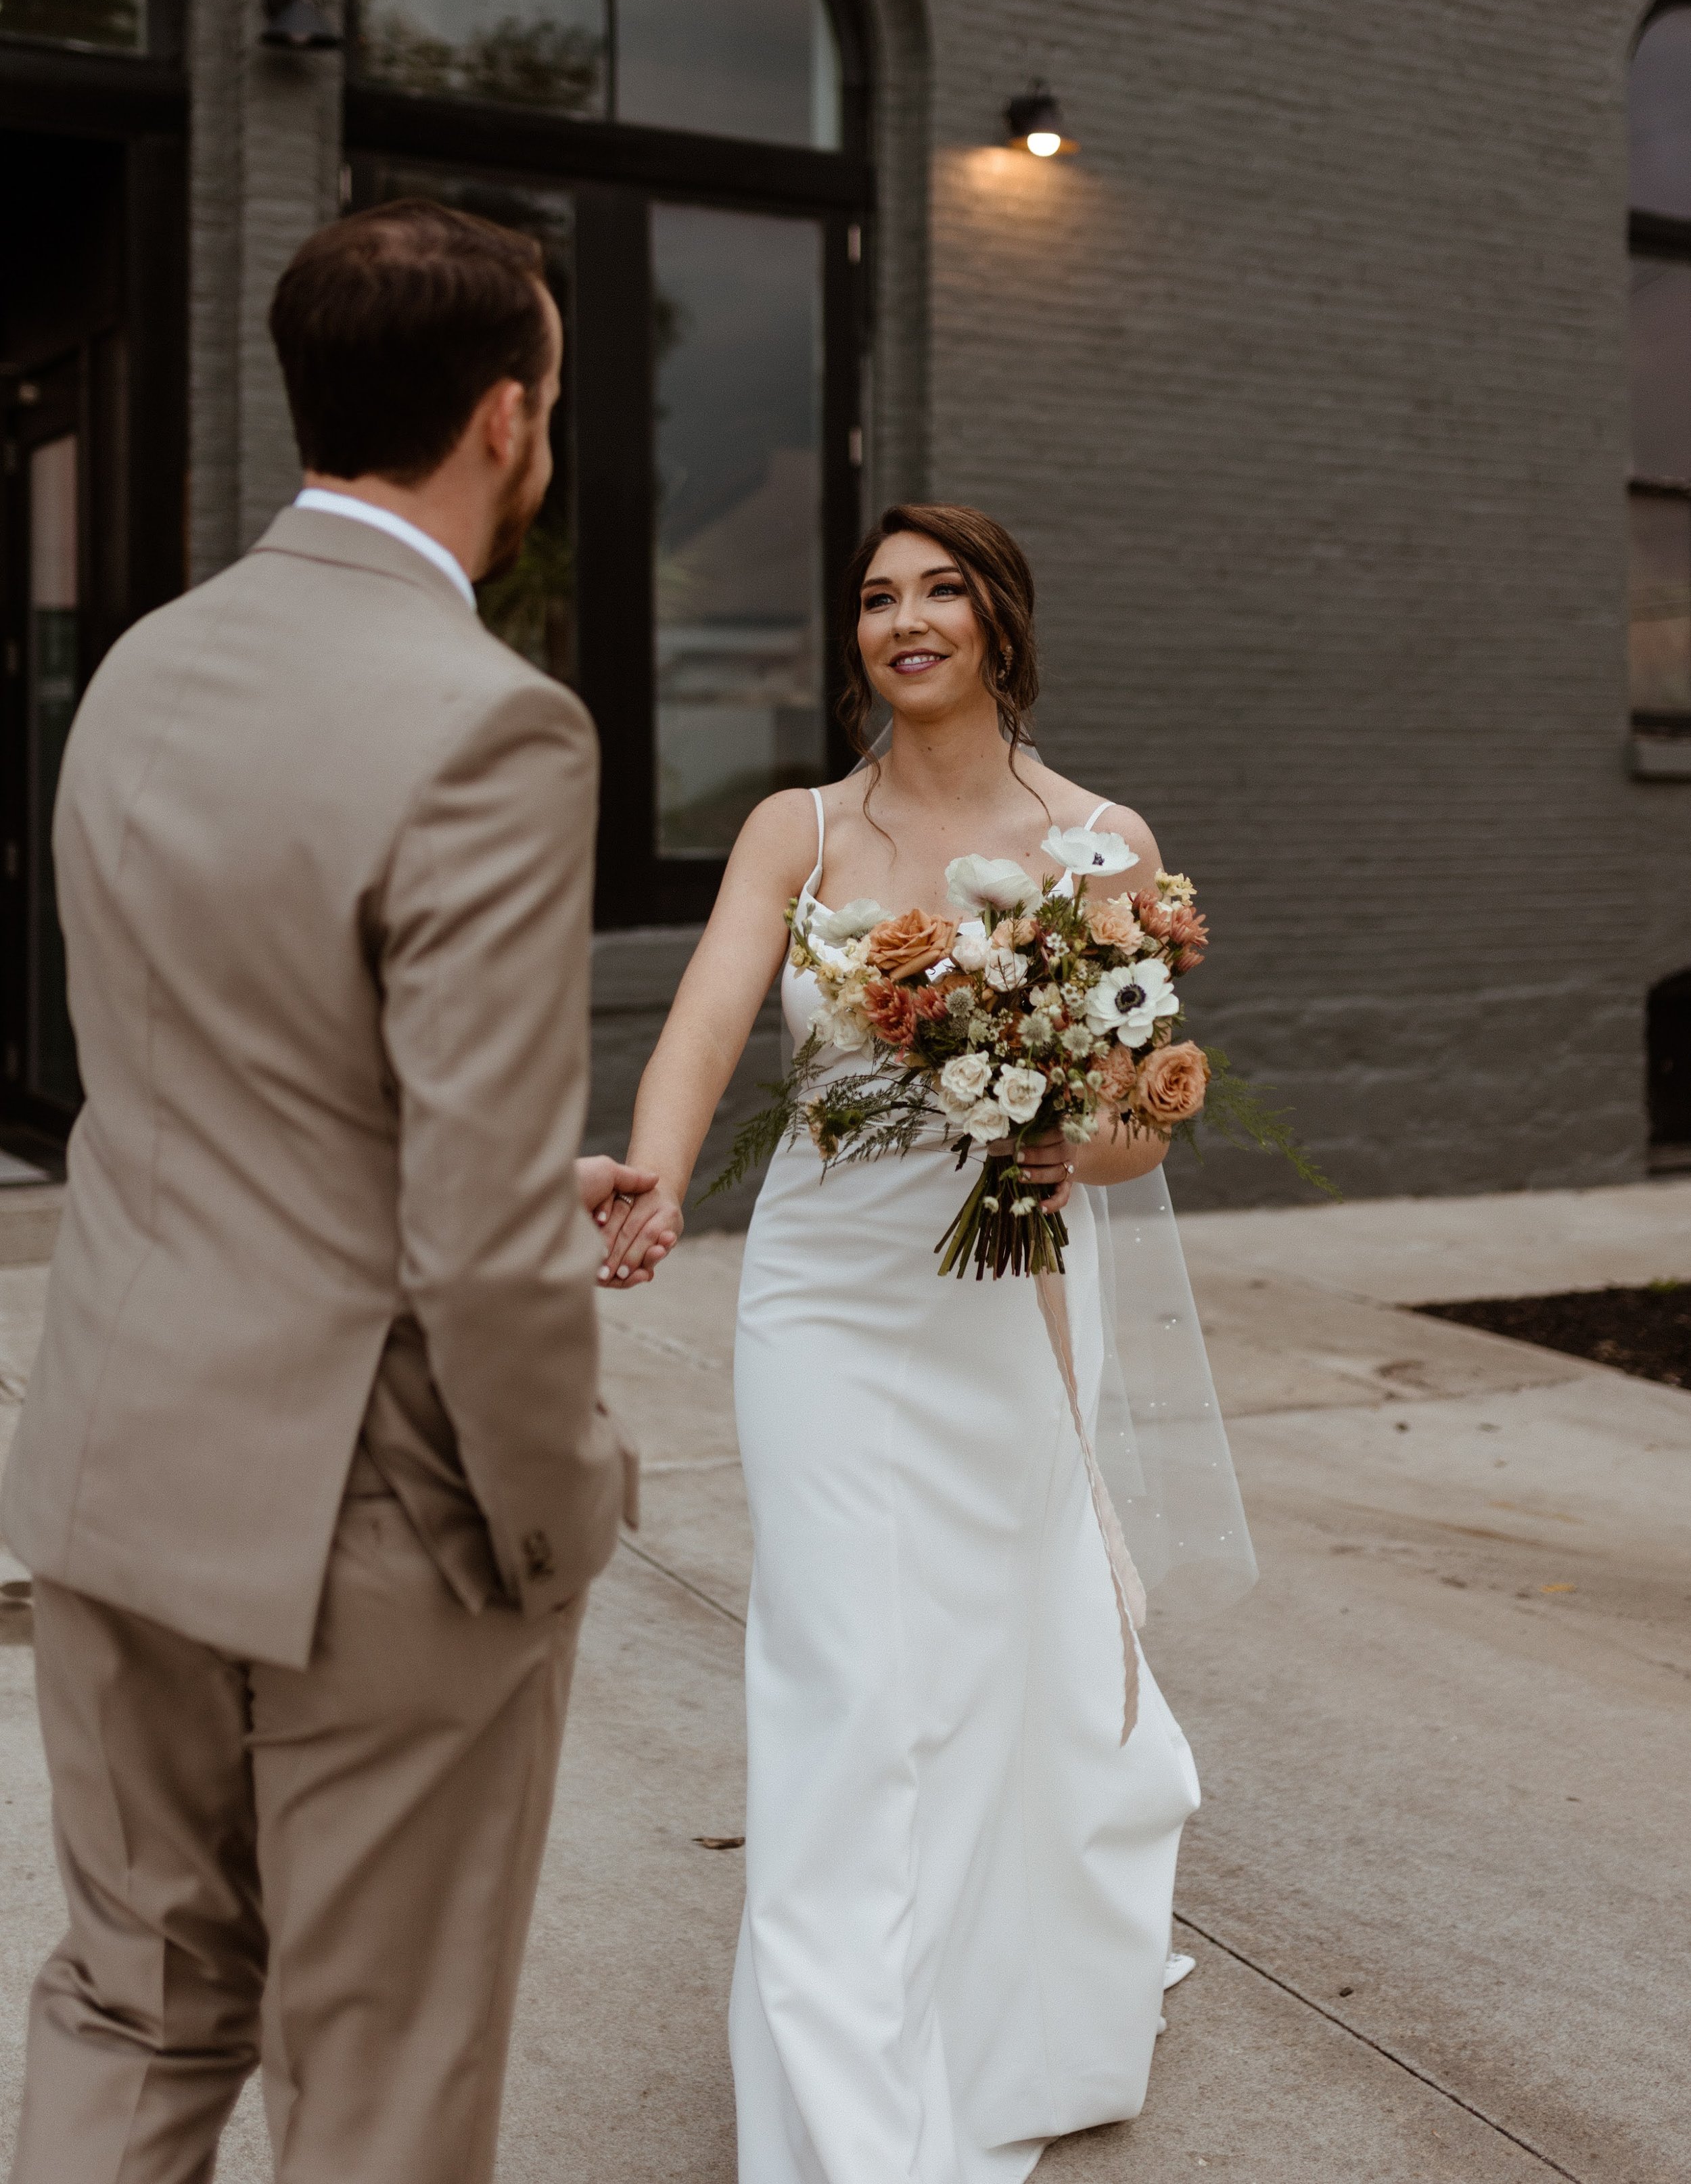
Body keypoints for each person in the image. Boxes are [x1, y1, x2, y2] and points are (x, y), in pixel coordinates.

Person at [1, 199, 664, 2184]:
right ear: (501, 420)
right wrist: (555, 1520)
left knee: (130, 2005)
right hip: (369, 1520)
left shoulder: (138, 664)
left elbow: (220, 1058)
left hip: (119, 1458)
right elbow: (474, 1246)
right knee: (380, 2079)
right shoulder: (495, 724)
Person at [603, 503, 1220, 2181]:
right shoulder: (794, 830)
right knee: (841, 1681)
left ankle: (996, 1995)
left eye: (938, 590)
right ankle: (842, 2114)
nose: (903, 618)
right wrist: (653, 1176)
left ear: (1000, 622)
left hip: (1006, 1304)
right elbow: (710, 1022)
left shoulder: (1101, 841)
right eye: (876, 597)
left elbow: (1137, 1123)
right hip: (818, 1298)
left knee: (996, 1661)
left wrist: (1058, 1145)